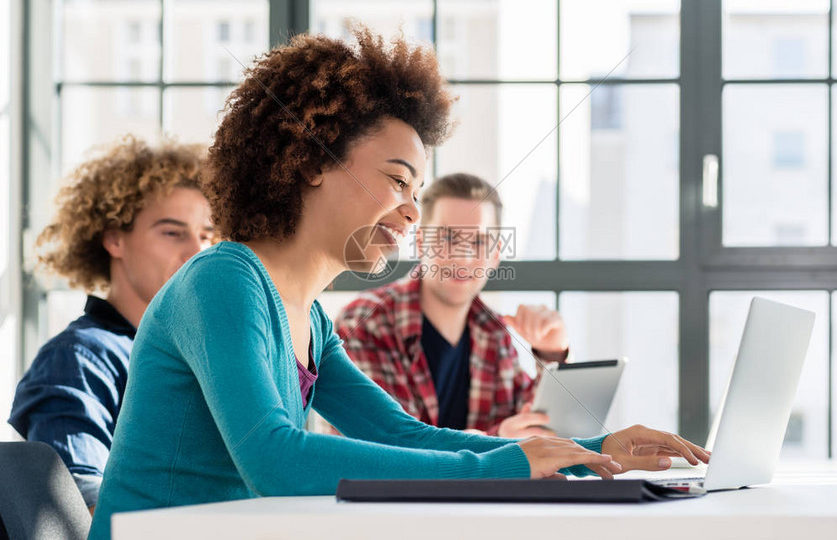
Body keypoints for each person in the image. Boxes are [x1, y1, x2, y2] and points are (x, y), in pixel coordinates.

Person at [88, 30, 708, 540]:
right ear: (309, 164)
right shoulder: (223, 280)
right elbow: (274, 459)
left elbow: (401, 433)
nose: (412, 212)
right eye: (396, 180)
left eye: (417, 191)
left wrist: (590, 451)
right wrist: (506, 467)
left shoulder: (311, 320)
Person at [8, 136, 214, 511]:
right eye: (172, 232)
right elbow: (76, 506)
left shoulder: (197, 356)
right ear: (115, 239)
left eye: (206, 235)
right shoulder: (80, 358)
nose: (197, 252)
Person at [334, 172, 569, 437]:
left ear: (495, 255)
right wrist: (499, 441)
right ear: (421, 243)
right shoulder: (366, 321)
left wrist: (551, 354)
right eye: (448, 239)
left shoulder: (493, 332)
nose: (463, 257)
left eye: (479, 242)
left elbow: (538, 424)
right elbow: (390, 449)